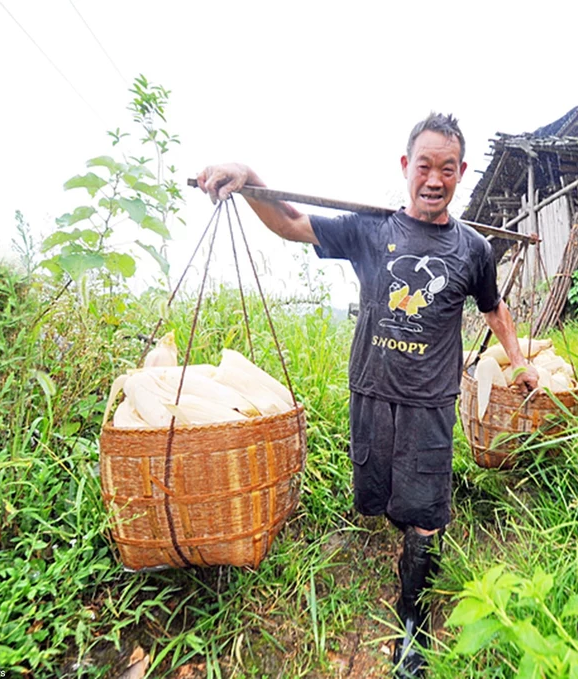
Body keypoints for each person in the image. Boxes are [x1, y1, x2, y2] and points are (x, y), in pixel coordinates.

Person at [197, 112, 539, 678]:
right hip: (373, 394)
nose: (434, 179)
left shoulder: (473, 249)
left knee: (426, 512)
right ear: (406, 168)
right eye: (424, 166)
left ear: (461, 173)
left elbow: (493, 308)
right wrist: (249, 174)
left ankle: (412, 623)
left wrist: (521, 361)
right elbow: (290, 222)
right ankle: (402, 541)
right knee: (380, 498)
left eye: (447, 169)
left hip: (430, 402)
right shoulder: (370, 229)